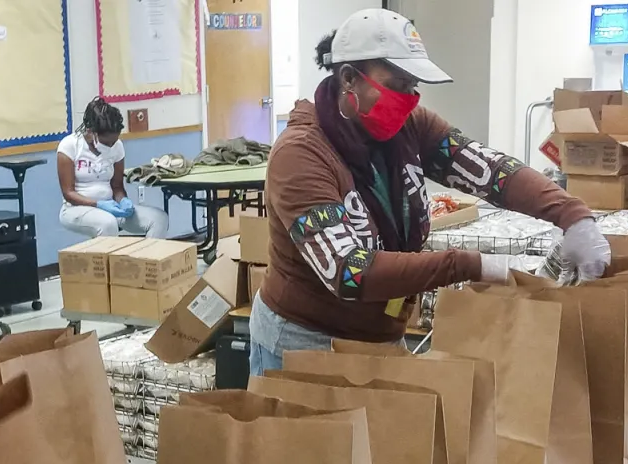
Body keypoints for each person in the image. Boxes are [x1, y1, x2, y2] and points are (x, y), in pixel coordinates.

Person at [252, 9, 607, 375]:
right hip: (305, 343)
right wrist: (467, 264)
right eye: (397, 84)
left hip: (381, 334)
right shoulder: (302, 154)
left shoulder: (408, 128)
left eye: (412, 86)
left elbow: (489, 170)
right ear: (348, 79)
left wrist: (573, 215)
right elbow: (348, 270)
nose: (408, 98)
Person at [56, 98, 169, 238]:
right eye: (106, 142)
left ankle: (148, 259)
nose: (111, 146)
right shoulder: (70, 146)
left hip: (111, 208)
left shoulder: (118, 147)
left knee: (159, 219)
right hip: (75, 209)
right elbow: (68, 193)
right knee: (107, 223)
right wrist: (99, 204)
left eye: (113, 142)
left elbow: (117, 187)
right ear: (91, 131)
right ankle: (108, 260)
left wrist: (123, 201)